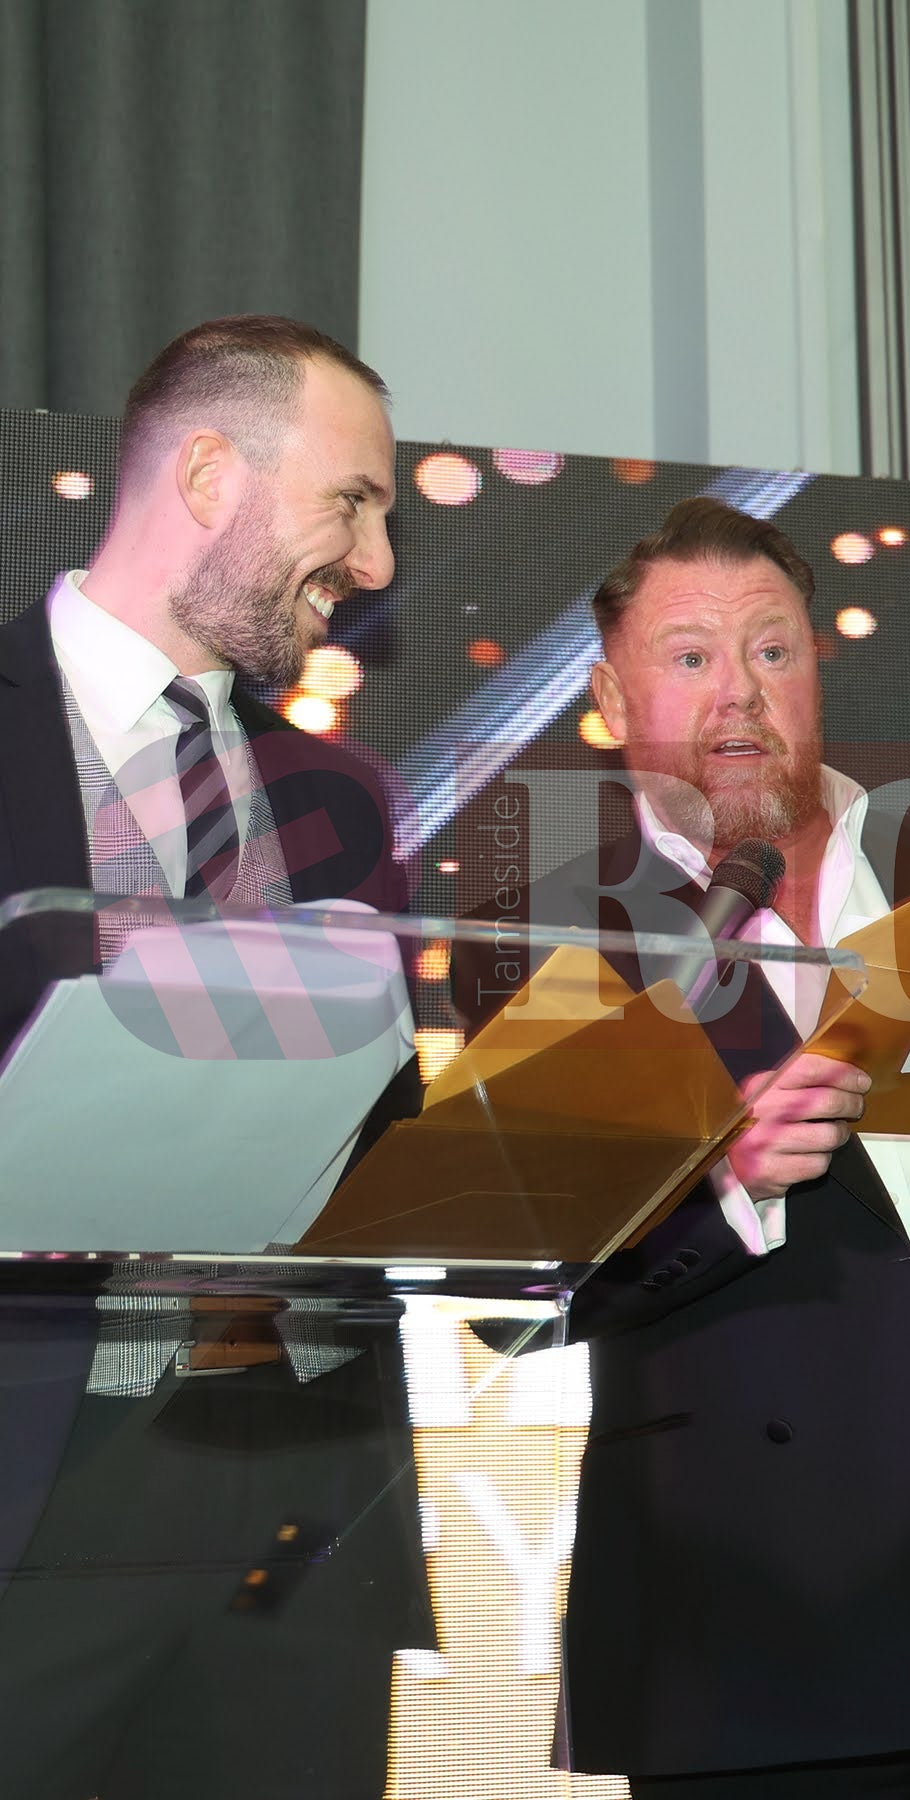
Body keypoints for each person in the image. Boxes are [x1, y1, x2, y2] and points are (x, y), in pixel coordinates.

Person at [470, 498, 910, 1797]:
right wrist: (724, 1188)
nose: (739, 693)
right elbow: (511, 1292)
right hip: (761, 1629)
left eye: (772, 649)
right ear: (608, 696)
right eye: (690, 656)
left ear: (816, 666)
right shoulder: (556, 933)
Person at [0, 317, 435, 1799]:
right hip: (31, 1485)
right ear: (205, 475)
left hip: (305, 1506)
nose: (375, 562)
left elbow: (377, 1138)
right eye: (353, 502)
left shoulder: (342, 795)